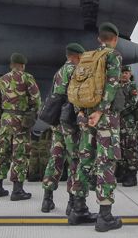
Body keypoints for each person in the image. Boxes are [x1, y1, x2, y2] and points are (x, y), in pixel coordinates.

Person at [69, 22, 123, 232]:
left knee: (84, 161)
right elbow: (111, 85)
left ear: (99, 39)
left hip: (85, 116)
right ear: (114, 39)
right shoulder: (113, 56)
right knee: (105, 162)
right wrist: (100, 111)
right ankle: (105, 217)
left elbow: (76, 87)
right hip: (105, 119)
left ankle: (78, 210)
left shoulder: (87, 57)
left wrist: (82, 112)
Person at [41, 43, 90, 214]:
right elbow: (77, 97)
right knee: (74, 159)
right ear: (76, 56)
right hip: (70, 121)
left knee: (55, 157)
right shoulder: (76, 71)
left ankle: (47, 200)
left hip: (57, 122)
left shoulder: (59, 72)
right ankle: (72, 202)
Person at [0, 53, 41, 201]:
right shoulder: (27, 78)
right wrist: (32, 115)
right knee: (20, 154)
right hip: (21, 121)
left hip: (6, 120)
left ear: (11, 64)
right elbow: (36, 100)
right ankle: (17, 191)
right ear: (23, 65)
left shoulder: (2, 79)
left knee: (2, 153)